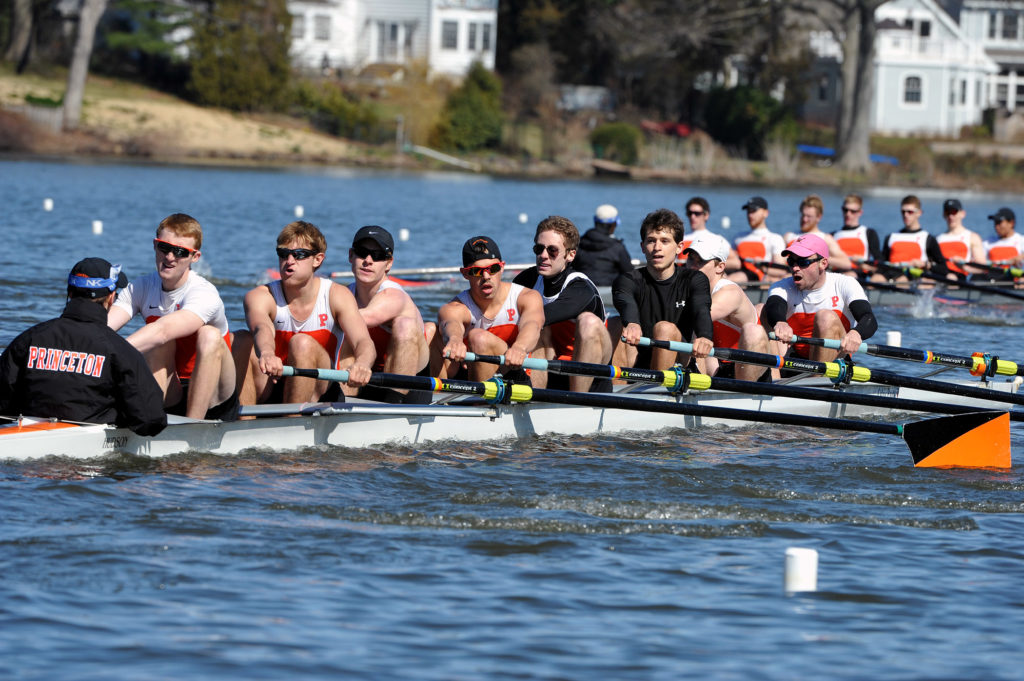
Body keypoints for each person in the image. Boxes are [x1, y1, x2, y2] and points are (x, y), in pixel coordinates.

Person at [0, 258, 166, 435]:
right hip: (87, 449)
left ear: (70, 293)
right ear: (111, 298)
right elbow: (151, 420)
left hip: (24, 440)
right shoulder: (120, 351)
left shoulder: (28, 339)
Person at [108, 213, 237, 420]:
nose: (169, 257)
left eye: (180, 252)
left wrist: (110, 355)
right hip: (173, 389)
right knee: (158, 344)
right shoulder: (140, 287)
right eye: (164, 248)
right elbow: (102, 328)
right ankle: (151, 420)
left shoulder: (204, 293)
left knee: (208, 335)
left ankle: (193, 428)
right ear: (154, 245)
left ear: (195, 257)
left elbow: (163, 330)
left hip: (216, 395)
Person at [234, 220, 375, 405]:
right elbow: (262, 327)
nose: (289, 261)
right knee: (240, 339)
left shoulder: (337, 295)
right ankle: (243, 424)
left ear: (318, 259)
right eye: (283, 254)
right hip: (273, 383)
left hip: (320, 390)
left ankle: (293, 420)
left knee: (301, 343)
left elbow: (363, 342)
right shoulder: (260, 296)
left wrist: (362, 364)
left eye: (299, 255)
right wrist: (267, 353)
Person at [512, 216, 611, 392]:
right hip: (551, 370)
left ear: (570, 255)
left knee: (584, 321)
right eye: (539, 248)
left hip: (591, 377)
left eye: (552, 251)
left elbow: (542, 316)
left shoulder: (581, 288)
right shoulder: (527, 279)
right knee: (536, 326)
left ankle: (578, 401)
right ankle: (533, 398)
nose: (543, 256)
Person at [612, 208, 713, 372]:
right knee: (615, 323)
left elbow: (701, 309)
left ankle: (658, 390)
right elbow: (625, 303)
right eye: (651, 241)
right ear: (643, 247)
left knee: (664, 328)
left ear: (679, 247)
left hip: (679, 359)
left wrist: (705, 336)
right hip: (639, 355)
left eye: (665, 241)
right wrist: (631, 323)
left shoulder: (694, 279)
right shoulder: (628, 280)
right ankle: (614, 391)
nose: (657, 247)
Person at [433, 236, 544, 381]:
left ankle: (477, 402)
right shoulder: (455, 307)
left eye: (493, 269)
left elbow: (532, 325)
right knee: (430, 330)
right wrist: (454, 339)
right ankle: (438, 398)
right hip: (471, 376)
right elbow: (450, 323)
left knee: (478, 338)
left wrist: (519, 348)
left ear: (502, 267)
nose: (486, 276)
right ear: (465, 274)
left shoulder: (527, 297)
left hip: (517, 374)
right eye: (476, 271)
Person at [344, 225, 433, 403]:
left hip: (411, 386)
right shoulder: (345, 294)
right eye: (362, 252)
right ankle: (342, 400)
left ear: (389, 263)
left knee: (404, 325)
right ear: (351, 256)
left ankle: (394, 403)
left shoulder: (394, 295)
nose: (368, 260)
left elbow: (361, 318)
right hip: (364, 379)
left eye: (377, 256)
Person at [762, 233, 878, 362]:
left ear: (823, 263)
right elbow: (774, 306)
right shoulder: (781, 287)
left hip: (834, 361)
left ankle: (816, 377)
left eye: (803, 262)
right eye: (791, 261)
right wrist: (780, 322)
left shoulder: (845, 283)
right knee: (761, 310)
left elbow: (868, 318)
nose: (795, 268)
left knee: (825, 317)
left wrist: (856, 333)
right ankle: (772, 378)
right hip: (794, 358)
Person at [683, 232, 771, 381]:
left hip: (748, 368)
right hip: (717, 365)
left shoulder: (729, 292)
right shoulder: (691, 288)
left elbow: (698, 316)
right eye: (691, 259)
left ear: (720, 267)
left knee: (752, 331)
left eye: (701, 261)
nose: (693, 266)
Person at [873, 195, 949, 282]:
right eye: (903, 212)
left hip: (916, 275)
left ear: (919, 213)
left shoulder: (928, 238)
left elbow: (943, 269)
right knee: (875, 279)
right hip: (893, 273)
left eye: (910, 212)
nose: (906, 215)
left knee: (902, 280)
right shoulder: (891, 237)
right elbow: (882, 264)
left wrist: (924, 264)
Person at [783, 194, 852, 272]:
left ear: (818, 217)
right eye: (803, 215)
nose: (804, 219)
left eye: (809, 216)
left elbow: (846, 263)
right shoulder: (788, 236)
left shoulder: (825, 238)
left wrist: (817, 258)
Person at [729, 196, 787, 284]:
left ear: (766, 213)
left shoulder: (775, 238)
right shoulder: (738, 237)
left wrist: (762, 266)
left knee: (734, 278)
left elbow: (781, 271)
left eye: (754, 211)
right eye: (748, 211)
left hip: (757, 278)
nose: (750, 215)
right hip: (737, 273)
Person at [573, 204, 634, 286]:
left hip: (582, 291)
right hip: (608, 294)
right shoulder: (617, 248)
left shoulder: (579, 244)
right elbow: (630, 274)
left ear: (595, 221)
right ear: (614, 224)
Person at [678, 196, 741, 273]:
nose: (692, 217)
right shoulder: (680, 237)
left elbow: (736, 263)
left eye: (697, 213)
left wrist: (706, 264)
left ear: (706, 215)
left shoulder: (716, 238)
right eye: (690, 213)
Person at [832, 193, 882, 276]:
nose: (848, 214)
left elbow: (879, 263)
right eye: (845, 210)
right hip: (836, 273)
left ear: (860, 212)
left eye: (853, 211)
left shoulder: (868, 233)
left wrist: (864, 264)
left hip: (859, 274)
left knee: (850, 275)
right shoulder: (833, 235)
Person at [936, 198, 986, 277]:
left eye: (954, 212)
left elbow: (982, 268)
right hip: (940, 276)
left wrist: (964, 267)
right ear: (943, 215)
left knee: (951, 278)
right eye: (947, 213)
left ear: (963, 214)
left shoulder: (973, 237)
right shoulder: (938, 239)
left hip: (960, 278)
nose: (951, 216)